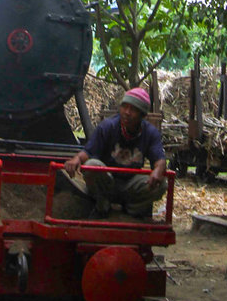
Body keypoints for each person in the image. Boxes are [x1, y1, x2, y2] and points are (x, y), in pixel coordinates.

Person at [63, 87, 167, 218]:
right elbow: (89, 152)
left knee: (162, 183)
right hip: (108, 181)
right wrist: (76, 159)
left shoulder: (150, 133)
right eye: (124, 107)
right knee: (92, 164)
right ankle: (103, 204)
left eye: (133, 109)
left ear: (142, 115)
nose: (127, 113)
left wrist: (158, 170)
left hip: (131, 184)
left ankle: (131, 210)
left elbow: (160, 160)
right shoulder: (108, 126)